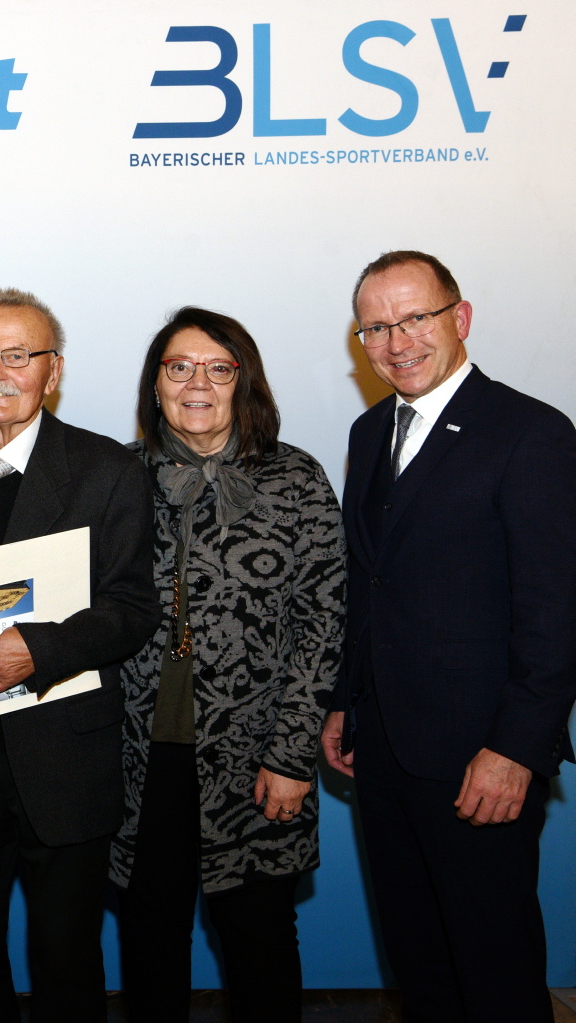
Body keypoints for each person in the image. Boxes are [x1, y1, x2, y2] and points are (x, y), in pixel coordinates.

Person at [320, 251, 576, 1023]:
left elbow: (556, 611)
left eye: (415, 319)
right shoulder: (370, 430)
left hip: (479, 758)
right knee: (420, 964)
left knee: (494, 973)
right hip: (384, 750)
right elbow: (370, 583)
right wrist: (345, 701)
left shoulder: (531, 433)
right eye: (375, 328)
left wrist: (515, 749)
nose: (396, 342)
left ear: (459, 318)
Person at [0, 288, 155, 1023]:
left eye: (17, 355)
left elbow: (131, 607)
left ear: (54, 371)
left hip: (63, 754)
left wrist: (38, 650)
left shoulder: (106, 469)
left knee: (66, 960)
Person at [110, 307, 346, 1023]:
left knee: (260, 937)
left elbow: (324, 621)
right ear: (156, 385)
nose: (197, 383)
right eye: (179, 367)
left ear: (245, 382)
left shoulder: (296, 477)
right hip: (137, 755)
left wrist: (292, 755)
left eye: (219, 368)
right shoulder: (116, 476)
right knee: (149, 936)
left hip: (258, 754)